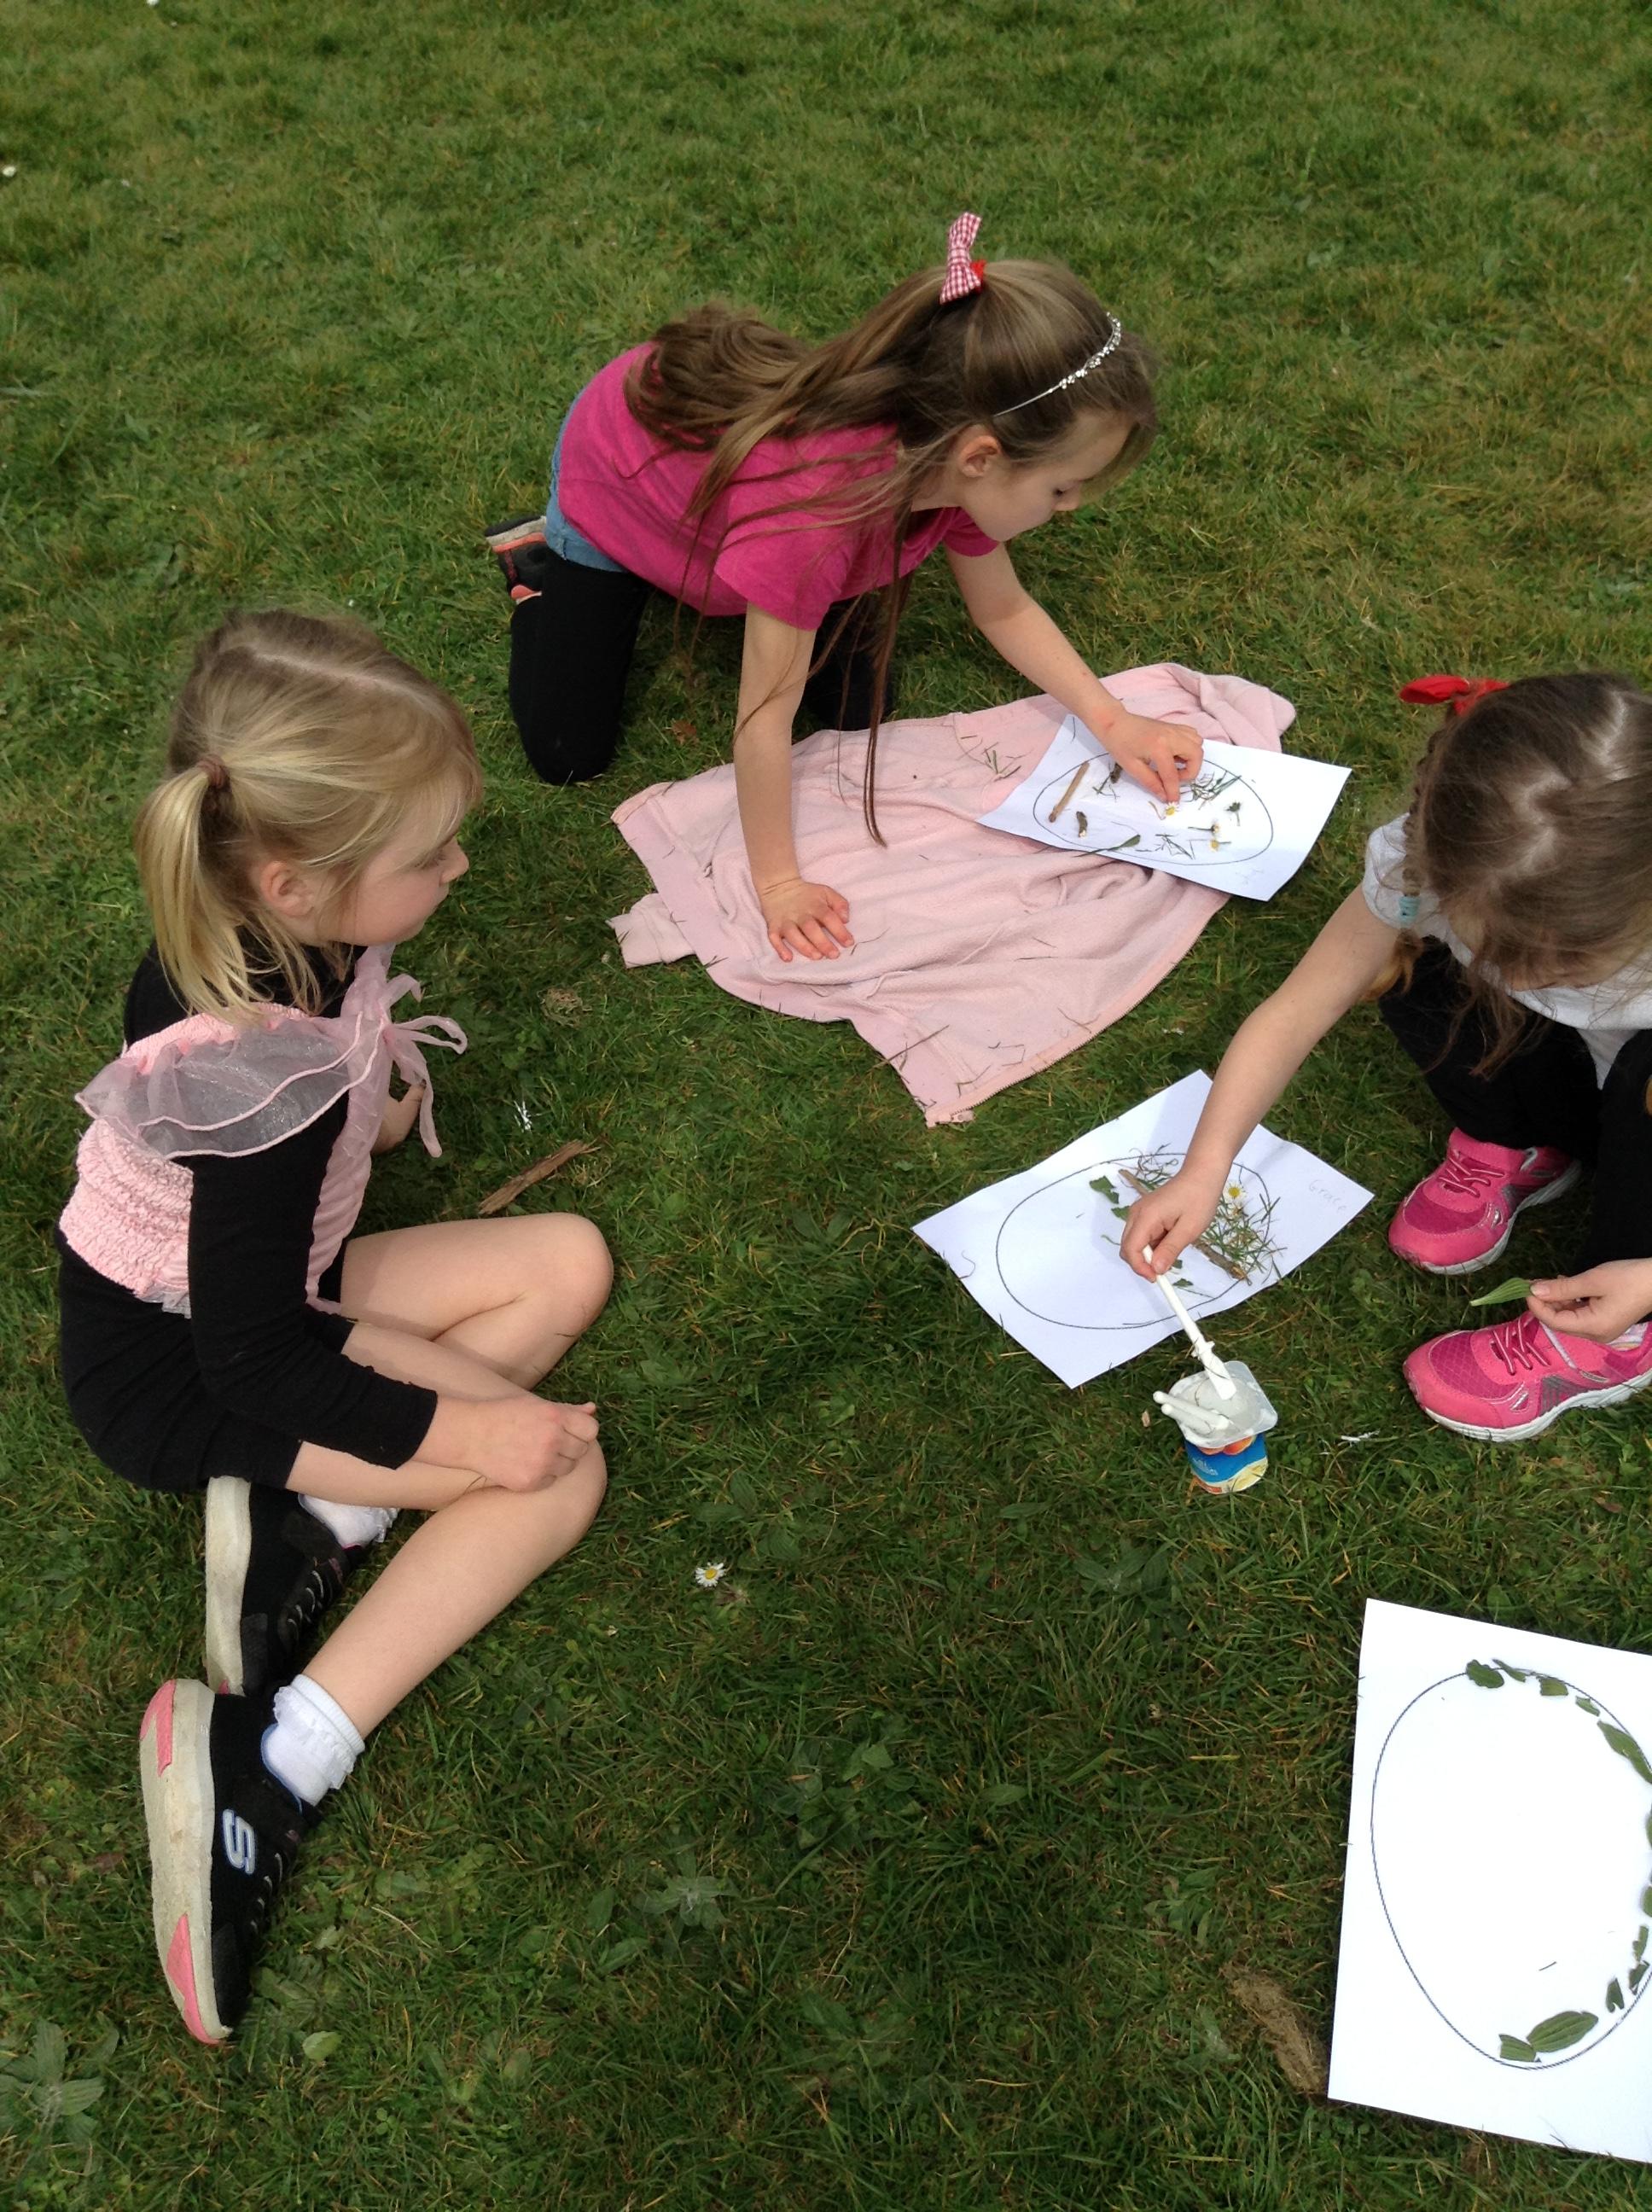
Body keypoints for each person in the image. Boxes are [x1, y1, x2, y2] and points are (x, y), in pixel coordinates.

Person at [55, 610, 611, 2042]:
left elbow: (259, 1227)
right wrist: (469, 1431)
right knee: (553, 1479)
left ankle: (313, 1524)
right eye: (431, 855)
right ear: (295, 881)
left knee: (562, 1264)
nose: (458, 868)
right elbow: (254, 1355)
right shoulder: (262, 1075)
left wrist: (380, 1105)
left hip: (254, 1289)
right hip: (187, 1363)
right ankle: (270, 1758)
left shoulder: (270, 929)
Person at [492, 212, 1203, 963]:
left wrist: (1113, 720)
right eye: (1063, 488)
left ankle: (742, 571)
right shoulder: (811, 520)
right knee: (566, 753)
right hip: (620, 484)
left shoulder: (944, 456)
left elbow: (1003, 606)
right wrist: (779, 885)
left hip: (768, 524)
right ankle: (539, 565)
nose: (1072, 507)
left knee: (858, 711)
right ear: (980, 458)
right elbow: (762, 719)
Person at [1120, 672, 1652, 1444]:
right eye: (1490, 940)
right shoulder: (1423, 862)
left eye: (1565, 963)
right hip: (1578, 1078)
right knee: (1408, 960)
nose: (1525, 979)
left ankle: (1623, 1331)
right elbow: (1297, 1010)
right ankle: (1519, 1142)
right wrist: (1205, 1168)